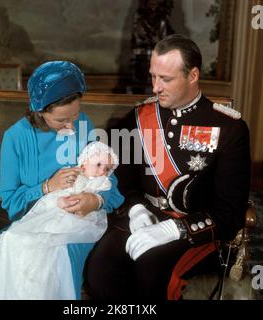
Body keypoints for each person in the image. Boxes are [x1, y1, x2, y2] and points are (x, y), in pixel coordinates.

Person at [84, 34, 251, 300]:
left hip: (196, 230)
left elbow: (229, 214)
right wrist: (136, 208)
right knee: (100, 269)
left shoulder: (230, 128)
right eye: (153, 76)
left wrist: (175, 230)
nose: (156, 87)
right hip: (143, 217)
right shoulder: (140, 117)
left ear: (193, 75)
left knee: (152, 270)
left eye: (166, 79)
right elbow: (123, 177)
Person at [0, 61, 124, 300]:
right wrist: (47, 187)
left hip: (78, 223)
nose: (70, 125)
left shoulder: (82, 124)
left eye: (75, 115)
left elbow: (108, 178)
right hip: (32, 222)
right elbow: (11, 201)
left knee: (50, 264)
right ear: (40, 111)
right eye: (61, 120)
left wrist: (95, 200)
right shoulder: (15, 138)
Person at [0, 141, 119, 300]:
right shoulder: (73, 175)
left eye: (107, 168)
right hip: (57, 211)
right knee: (16, 237)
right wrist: (61, 200)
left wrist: (97, 199)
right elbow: (55, 196)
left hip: (83, 218)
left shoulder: (103, 182)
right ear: (83, 164)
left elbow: (113, 197)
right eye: (98, 164)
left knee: (50, 246)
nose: (102, 171)